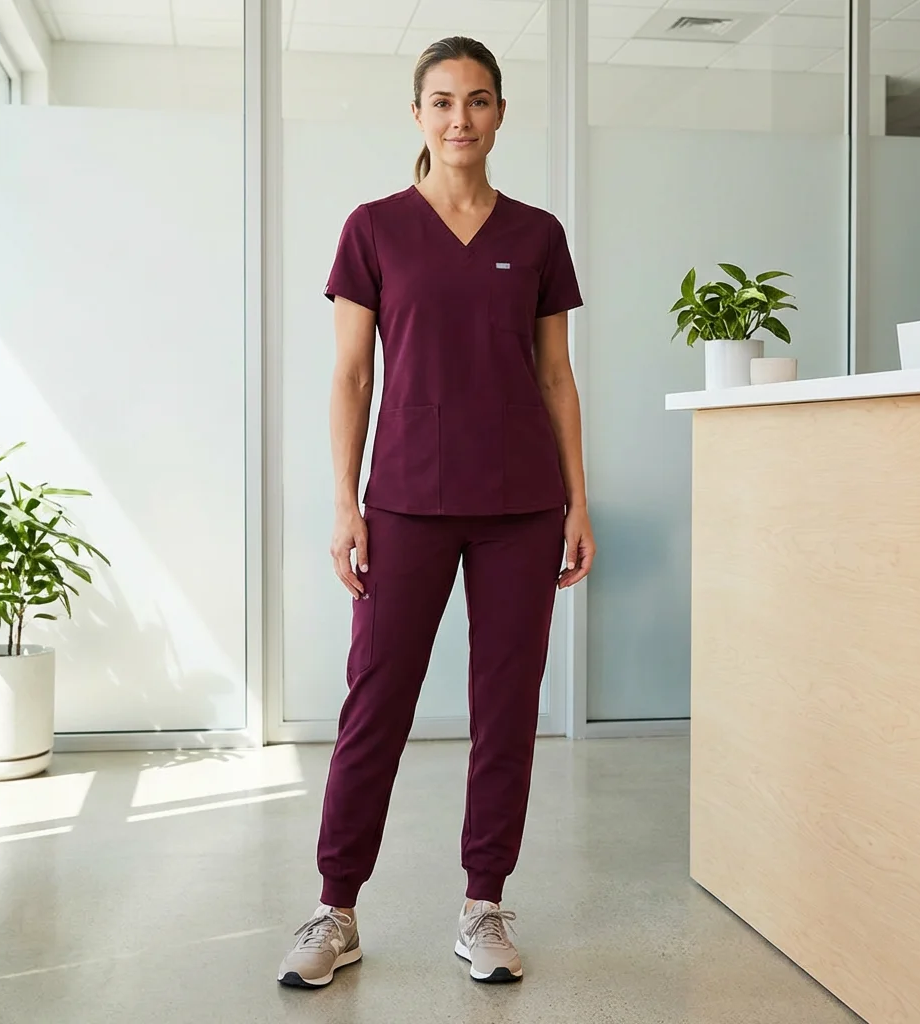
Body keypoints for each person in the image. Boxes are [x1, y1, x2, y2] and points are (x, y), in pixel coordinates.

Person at [278, 35, 595, 990]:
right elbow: (350, 374)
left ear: (501, 114)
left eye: (480, 100)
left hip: (521, 506)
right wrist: (346, 504)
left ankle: (483, 904)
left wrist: (579, 499)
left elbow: (555, 375)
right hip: (406, 501)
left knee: (507, 706)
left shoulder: (536, 235)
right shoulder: (373, 228)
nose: (462, 117)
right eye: (444, 101)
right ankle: (337, 910)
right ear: (417, 114)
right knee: (376, 701)